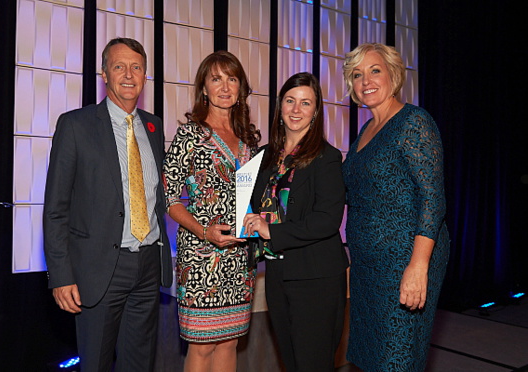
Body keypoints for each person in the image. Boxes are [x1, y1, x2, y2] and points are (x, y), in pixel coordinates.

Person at [43, 37, 173, 372]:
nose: (129, 74)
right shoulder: (75, 125)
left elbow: (157, 197)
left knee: (139, 365)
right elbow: (56, 208)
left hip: (147, 268)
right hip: (99, 270)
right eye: (119, 66)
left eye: (137, 67)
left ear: (145, 75)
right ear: (104, 74)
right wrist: (60, 275)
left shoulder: (154, 126)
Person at [341, 42, 450, 371]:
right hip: (367, 267)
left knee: (396, 360)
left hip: (406, 260)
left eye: (375, 70)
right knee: (372, 358)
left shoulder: (414, 122)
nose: (366, 80)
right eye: (357, 75)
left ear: (394, 75)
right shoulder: (365, 131)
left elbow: (433, 199)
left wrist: (418, 267)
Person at [242, 72, 348, 372]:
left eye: (305, 103)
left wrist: (269, 230)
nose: (296, 109)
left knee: (312, 365)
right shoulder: (264, 156)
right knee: (290, 362)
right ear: (280, 106)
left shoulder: (326, 157)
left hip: (317, 278)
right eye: (290, 101)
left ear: (316, 111)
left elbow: (327, 221)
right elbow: (243, 202)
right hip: (277, 275)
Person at [163, 51, 260, 372]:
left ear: (241, 88)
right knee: (202, 345)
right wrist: (204, 231)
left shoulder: (248, 138)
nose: (224, 86)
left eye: (232, 79)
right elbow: (168, 196)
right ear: (203, 87)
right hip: (201, 255)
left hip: (240, 258)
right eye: (216, 78)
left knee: (230, 341)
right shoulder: (189, 135)